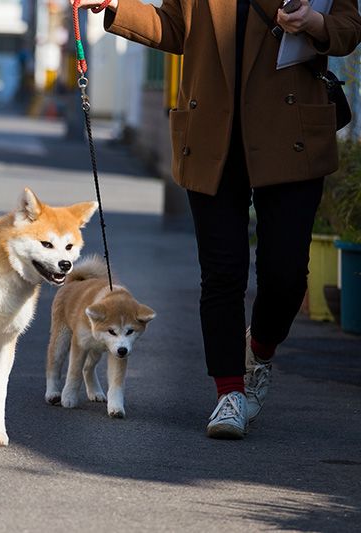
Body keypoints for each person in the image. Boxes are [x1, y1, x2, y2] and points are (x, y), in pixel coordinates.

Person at [72, 0, 361, 438]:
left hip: (292, 131)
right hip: (212, 133)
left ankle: (259, 351)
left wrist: (315, 23)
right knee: (222, 272)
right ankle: (229, 393)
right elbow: (173, 27)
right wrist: (114, 5)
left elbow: (348, 26)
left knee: (285, 276)